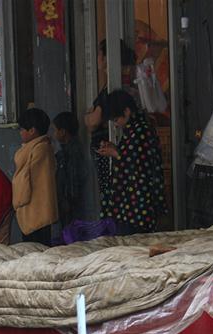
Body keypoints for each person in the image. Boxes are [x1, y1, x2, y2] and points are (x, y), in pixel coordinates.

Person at [96, 90, 168, 234]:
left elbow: (140, 165)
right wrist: (116, 149)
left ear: (127, 111)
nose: (116, 124)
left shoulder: (141, 130)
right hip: (131, 205)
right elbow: (132, 154)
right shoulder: (134, 129)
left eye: (116, 119)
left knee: (134, 239)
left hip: (138, 204)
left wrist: (116, 153)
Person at [84, 39, 138, 214]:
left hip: (107, 151)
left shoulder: (113, 86)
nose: (97, 59)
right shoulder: (109, 84)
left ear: (108, 57)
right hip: (106, 150)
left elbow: (94, 121)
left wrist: (88, 117)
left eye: (100, 54)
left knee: (110, 194)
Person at [12, 108, 58, 245]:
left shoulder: (40, 149)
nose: (20, 133)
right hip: (34, 209)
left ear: (32, 130)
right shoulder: (38, 147)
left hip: (37, 210)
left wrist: (16, 202)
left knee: (37, 248)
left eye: (22, 129)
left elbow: (24, 178)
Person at [52, 111, 90, 228]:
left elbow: (73, 178)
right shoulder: (65, 150)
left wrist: (68, 201)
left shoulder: (73, 151)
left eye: (55, 130)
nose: (54, 134)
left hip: (71, 205)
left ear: (63, 132)